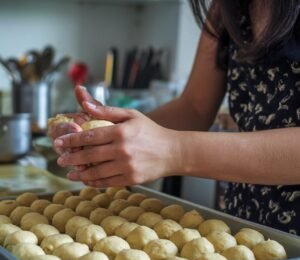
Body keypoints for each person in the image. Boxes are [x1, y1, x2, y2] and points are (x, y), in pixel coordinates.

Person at [48, 0, 300, 235]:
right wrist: (111, 133)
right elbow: (194, 108)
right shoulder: (226, 8)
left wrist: (174, 151)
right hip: (245, 226)